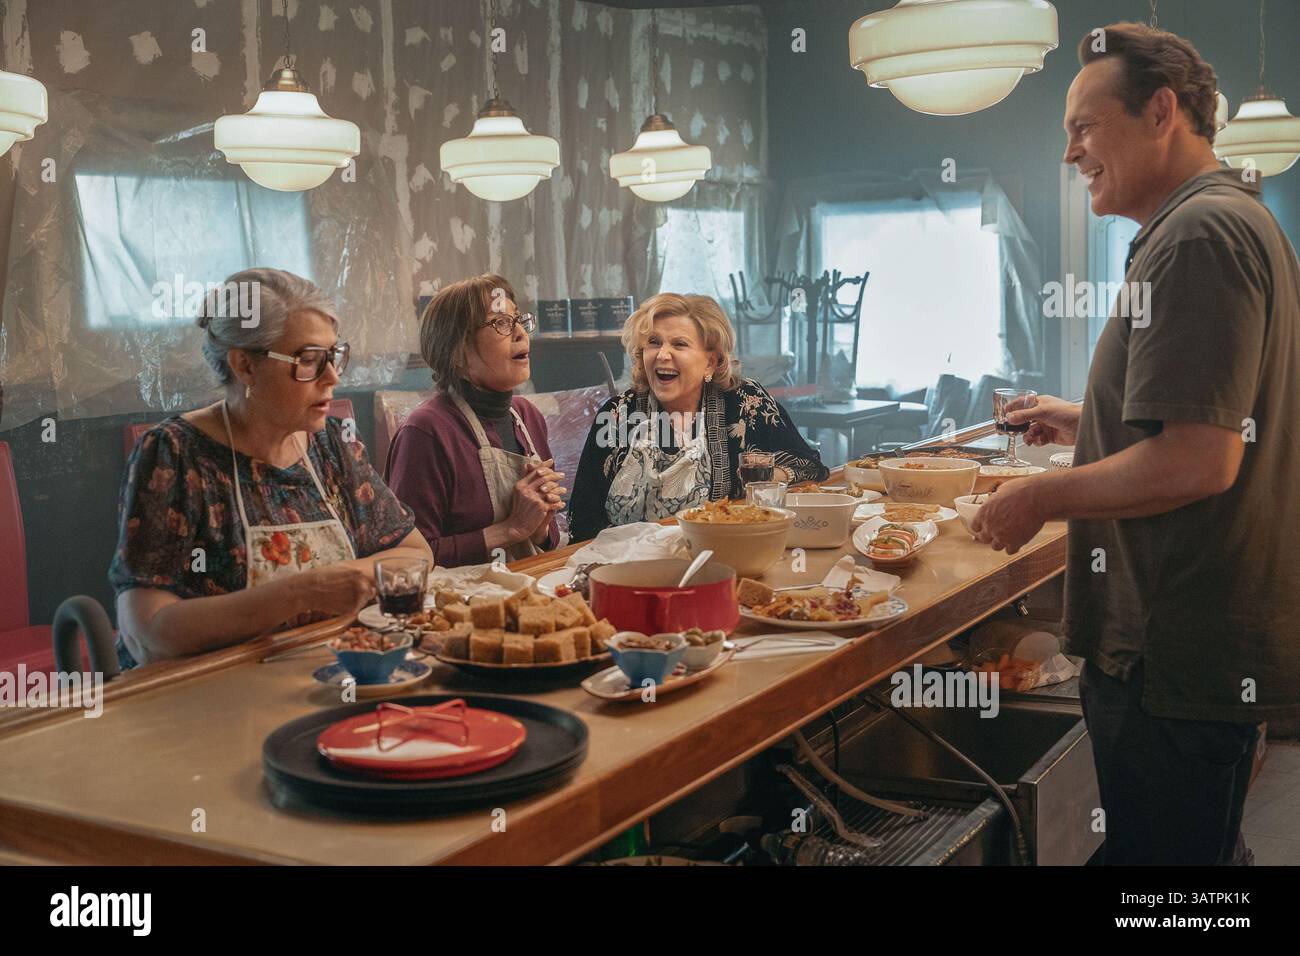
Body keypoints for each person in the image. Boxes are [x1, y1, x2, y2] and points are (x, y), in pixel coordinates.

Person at [972, 23, 1300, 865]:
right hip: (1191, 641)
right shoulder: (1226, 220)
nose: (1071, 152)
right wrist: (1090, 422)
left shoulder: (1197, 238)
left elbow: (1199, 460)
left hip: (1172, 645)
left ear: (1162, 111)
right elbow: (1216, 423)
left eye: (1084, 126)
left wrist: (1038, 495)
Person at [110, 269, 431, 667]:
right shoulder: (175, 454)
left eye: (334, 357)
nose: (332, 377)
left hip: (322, 666)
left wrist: (345, 577)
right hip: (206, 689)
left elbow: (416, 554)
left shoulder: (333, 444)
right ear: (244, 366)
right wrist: (301, 593)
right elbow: (147, 633)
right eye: (310, 360)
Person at [568, 292, 827, 540]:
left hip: (721, 553)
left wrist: (765, 481)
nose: (662, 354)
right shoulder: (616, 415)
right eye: (654, 342)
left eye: (679, 344)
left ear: (711, 362)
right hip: (626, 564)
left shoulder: (746, 402)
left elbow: (809, 465)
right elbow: (582, 519)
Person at [385, 274, 564, 566]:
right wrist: (510, 529)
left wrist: (541, 527)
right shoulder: (426, 431)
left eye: (519, 320)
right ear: (457, 352)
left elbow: (550, 540)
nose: (520, 333)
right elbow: (409, 560)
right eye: (501, 323)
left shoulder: (527, 416)